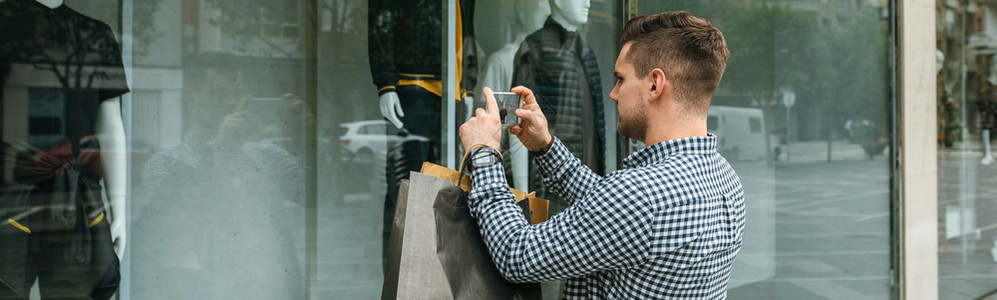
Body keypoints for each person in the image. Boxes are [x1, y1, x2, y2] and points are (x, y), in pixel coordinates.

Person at [458, 11, 745, 298]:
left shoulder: (639, 196)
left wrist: (483, 153)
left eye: (620, 79)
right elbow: (608, 207)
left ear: (655, 84)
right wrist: (544, 145)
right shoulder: (726, 180)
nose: (613, 93)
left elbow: (516, 254)